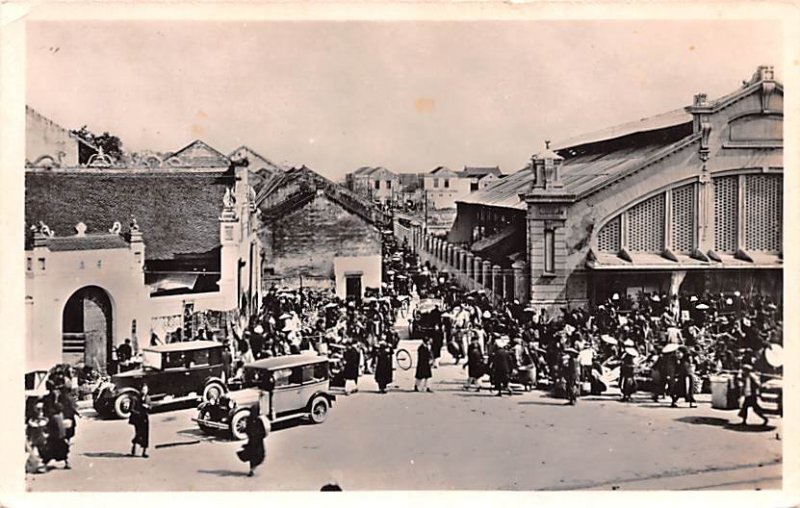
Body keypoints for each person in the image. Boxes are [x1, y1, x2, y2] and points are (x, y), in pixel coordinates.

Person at [239, 405, 268, 477]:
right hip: (257, 442)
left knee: (253, 456)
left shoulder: (250, 420)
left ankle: (252, 469)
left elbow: (247, 430)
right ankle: (252, 469)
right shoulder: (258, 420)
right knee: (256, 456)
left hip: (253, 441)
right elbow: (262, 432)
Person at [44, 401, 70, 469]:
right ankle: (66, 463)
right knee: (63, 451)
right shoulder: (61, 416)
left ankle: (44, 464)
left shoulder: (54, 417)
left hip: (55, 437)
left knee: (50, 451)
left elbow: (50, 427)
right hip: (61, 436)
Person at [129, 384, 151, 458]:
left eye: (146, 390)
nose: (144, 391)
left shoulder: (148, 398)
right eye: (143, 389)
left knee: (146, 434)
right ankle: (134, 446)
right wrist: (138, 413)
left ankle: (144, 451)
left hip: (145, 418)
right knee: (138, 434)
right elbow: (131, 409)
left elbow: (150, 407)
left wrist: (148, 407)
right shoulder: (135, 398)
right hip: (138, 419)